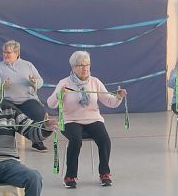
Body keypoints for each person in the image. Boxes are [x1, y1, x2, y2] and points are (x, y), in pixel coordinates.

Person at [46, 51, 126, 188]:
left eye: (87, 64)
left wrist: (119, 97)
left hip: (93, 119)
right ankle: (70, 176)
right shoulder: (64, 83)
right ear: (73, 67)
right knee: (76, 140)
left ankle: (104, 173)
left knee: (104, 139)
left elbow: (110, 102)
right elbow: (50, 104)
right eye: (81, 65)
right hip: (70, 120)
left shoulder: (95, 82)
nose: (85, 68)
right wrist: (60, 94)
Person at [0, 40, 49, 152]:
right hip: (7, 100)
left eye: (8, 52)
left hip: (27, 99)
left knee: (38, 112)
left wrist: (34, 82)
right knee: (3, 112)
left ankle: (37, 141)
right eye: (4, 52)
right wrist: (2, 85)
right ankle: (6, 143)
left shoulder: (28, 65)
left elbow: (40, 81)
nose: (5, 55)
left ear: (17, 53)